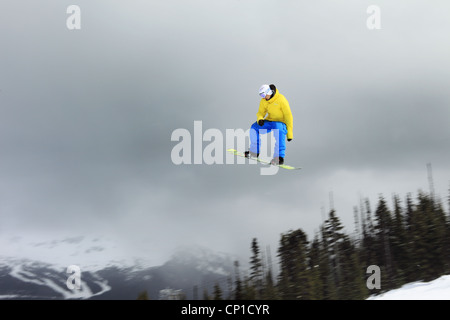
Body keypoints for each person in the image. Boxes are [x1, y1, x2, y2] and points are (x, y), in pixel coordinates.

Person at [245, 84, 293, 165]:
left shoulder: (281, 99)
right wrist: (260, 119)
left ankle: (279, 157)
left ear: (269, 92)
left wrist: (290, 134)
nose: (263, 97)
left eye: (263, 94)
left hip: (280, 123)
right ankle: (254, 152)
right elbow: (260, 112)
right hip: (270, 121)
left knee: (279, 130)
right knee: (254, 127)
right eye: (261, 95)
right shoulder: (264, 101)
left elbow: (288, 116)